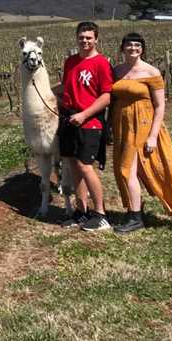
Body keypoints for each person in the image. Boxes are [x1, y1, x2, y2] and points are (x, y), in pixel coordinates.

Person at [110, 32, 172, 232]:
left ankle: (135, 217)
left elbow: (160, 106)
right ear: (122, 48)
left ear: (142, 49)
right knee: (124, 169)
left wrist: (152, 136)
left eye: (137, 45)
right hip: (122, 125)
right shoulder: (116, 71)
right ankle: (135, 209)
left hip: (143, 124)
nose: (133, 48)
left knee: (130, 169)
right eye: (129, 45)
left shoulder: (151, 72)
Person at [58, 22, 114, 231]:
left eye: (89, 37)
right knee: (73, 166)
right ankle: (81, 212)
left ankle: (100, 214)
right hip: (69, 120)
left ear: (96, 39)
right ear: (76, 38)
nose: (85, 41)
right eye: (81, 37)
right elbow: (66, 88)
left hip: (89, 122)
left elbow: (106, 96)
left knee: (84, 165)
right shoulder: (70, 62)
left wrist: (83, 115)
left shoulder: (101, 63)